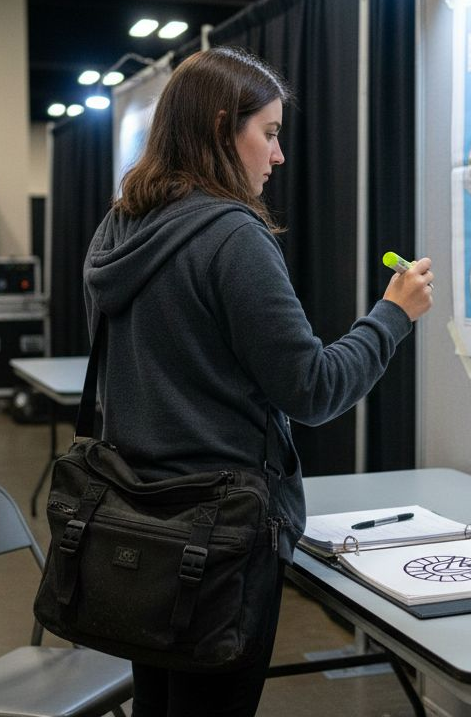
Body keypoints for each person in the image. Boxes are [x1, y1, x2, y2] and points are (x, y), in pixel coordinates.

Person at [83, 46, 433, 716]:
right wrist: (393, 316)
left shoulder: (118, 227)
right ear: (222, 129)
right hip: (221, 542)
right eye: (268, 133)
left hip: (134, 525)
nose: (277, 156)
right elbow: (312, 388)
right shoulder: (232, 237)